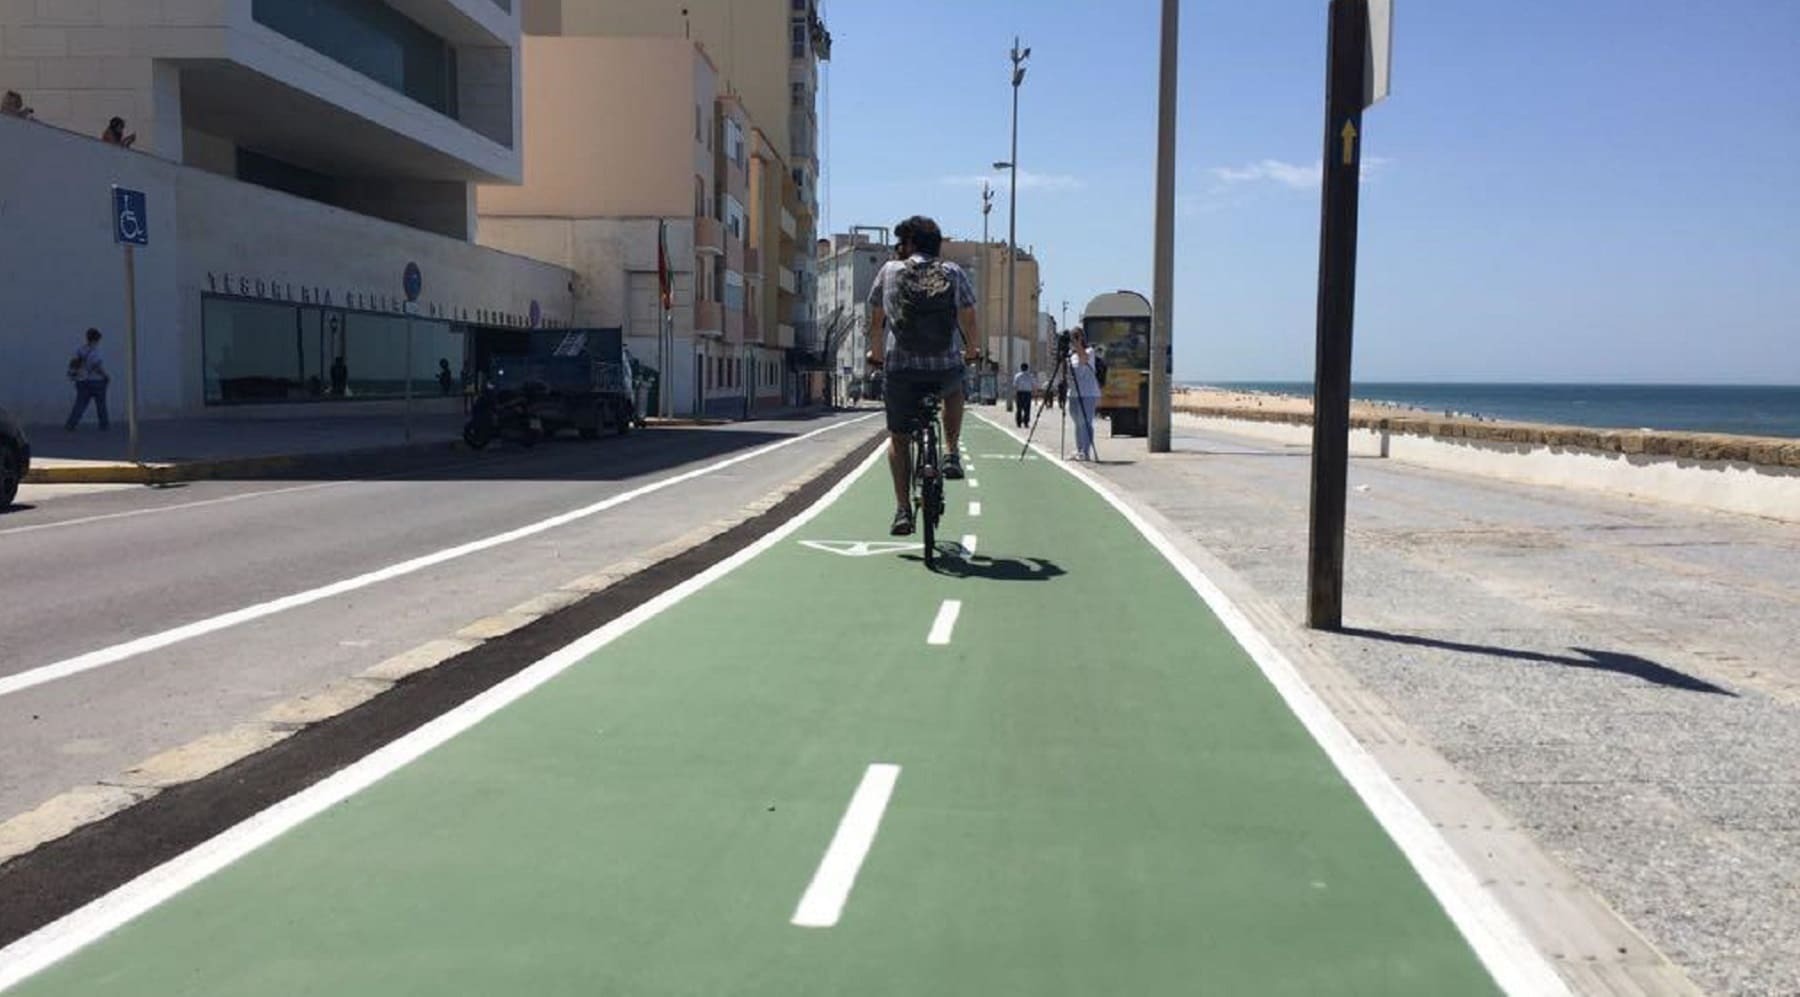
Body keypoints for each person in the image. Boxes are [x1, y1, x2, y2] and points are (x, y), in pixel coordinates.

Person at [865, 215, 979, 536]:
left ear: (911, 243)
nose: (898, 248)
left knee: (899, 439)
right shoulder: (953, 272)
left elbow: (876, 321)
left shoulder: (889, 271)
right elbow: (969, 318)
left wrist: (876, 355)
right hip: (943, 367)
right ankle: (950, 452)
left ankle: (903, 510)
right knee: (955, 387)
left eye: (901, 242)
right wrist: (972, 351)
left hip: (900, 369)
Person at [64, 328, 110, 431]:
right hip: (96, 381)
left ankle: (71, 424)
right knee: (101, 405)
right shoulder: (95, 351)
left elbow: (74, 363)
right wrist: (106, 376)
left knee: (79, 405)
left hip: (82, 381)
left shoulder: (80, 350)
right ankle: (104, 425)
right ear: (96, 339)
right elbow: (96, 366)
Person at [1067, 327, 1102, 460]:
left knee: (1085, 422)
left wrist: (1078, 345)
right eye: (1072, 337)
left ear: (1082, 337)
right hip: (1074, 393)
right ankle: (1079, 449)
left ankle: (1085, 451)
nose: (1074, 339)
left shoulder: (1089, 351)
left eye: (1076, 336)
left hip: (1088, 393)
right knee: (1077, 422)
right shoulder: (1071, 356)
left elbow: (1084, 360)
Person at [1012, 362, 1037, 428]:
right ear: (1027, 368)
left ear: (1021, 368)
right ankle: (1026, 422)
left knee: (1019, 408)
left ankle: (1019, 422)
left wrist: (1014, 394)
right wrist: (1034, 393)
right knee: (1027, 409)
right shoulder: (1030, 376)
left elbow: (1015, 385)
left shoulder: (1017, 376)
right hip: (1027, 393)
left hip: (1020, 393)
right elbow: (1034, 385)